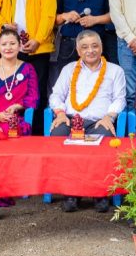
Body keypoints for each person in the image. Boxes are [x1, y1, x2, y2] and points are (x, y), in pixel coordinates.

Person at [48, 30, 127, 212]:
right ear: (78, 50)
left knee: (105, 142)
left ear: (101, 47)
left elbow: (120, 98)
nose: (90, 50)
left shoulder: (115, 70)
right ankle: (70, 192)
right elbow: (56, 95)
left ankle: (99, 193)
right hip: (70, 119)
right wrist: (60, 113)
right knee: (57, 138)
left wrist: (109, 116)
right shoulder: (69, 69)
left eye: (94, 46)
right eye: (84, 47)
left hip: (99, 121)